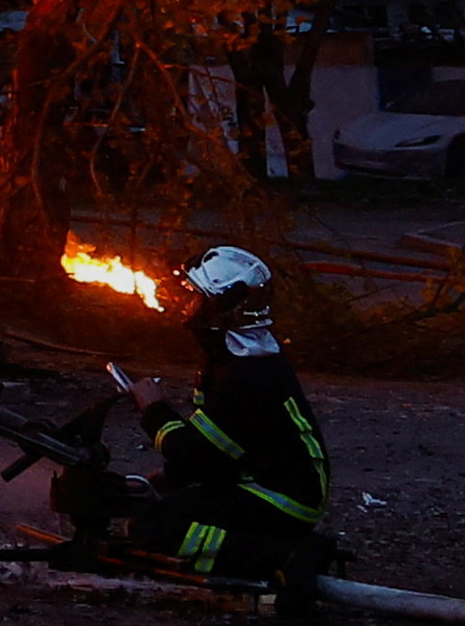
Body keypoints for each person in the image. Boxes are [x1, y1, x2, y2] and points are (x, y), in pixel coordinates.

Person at [141, 246, 328, 587]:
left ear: (219, 308)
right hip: (264, 484)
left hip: (282, 498)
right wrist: (171, 478)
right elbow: (216, 452)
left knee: (155, 527)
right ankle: (277, 550)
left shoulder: (246, 373)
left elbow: (194, 454)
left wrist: (151, 409)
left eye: (195, 297)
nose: (187, 305)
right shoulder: (233, 357)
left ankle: (284, 557)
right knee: (158, 508)